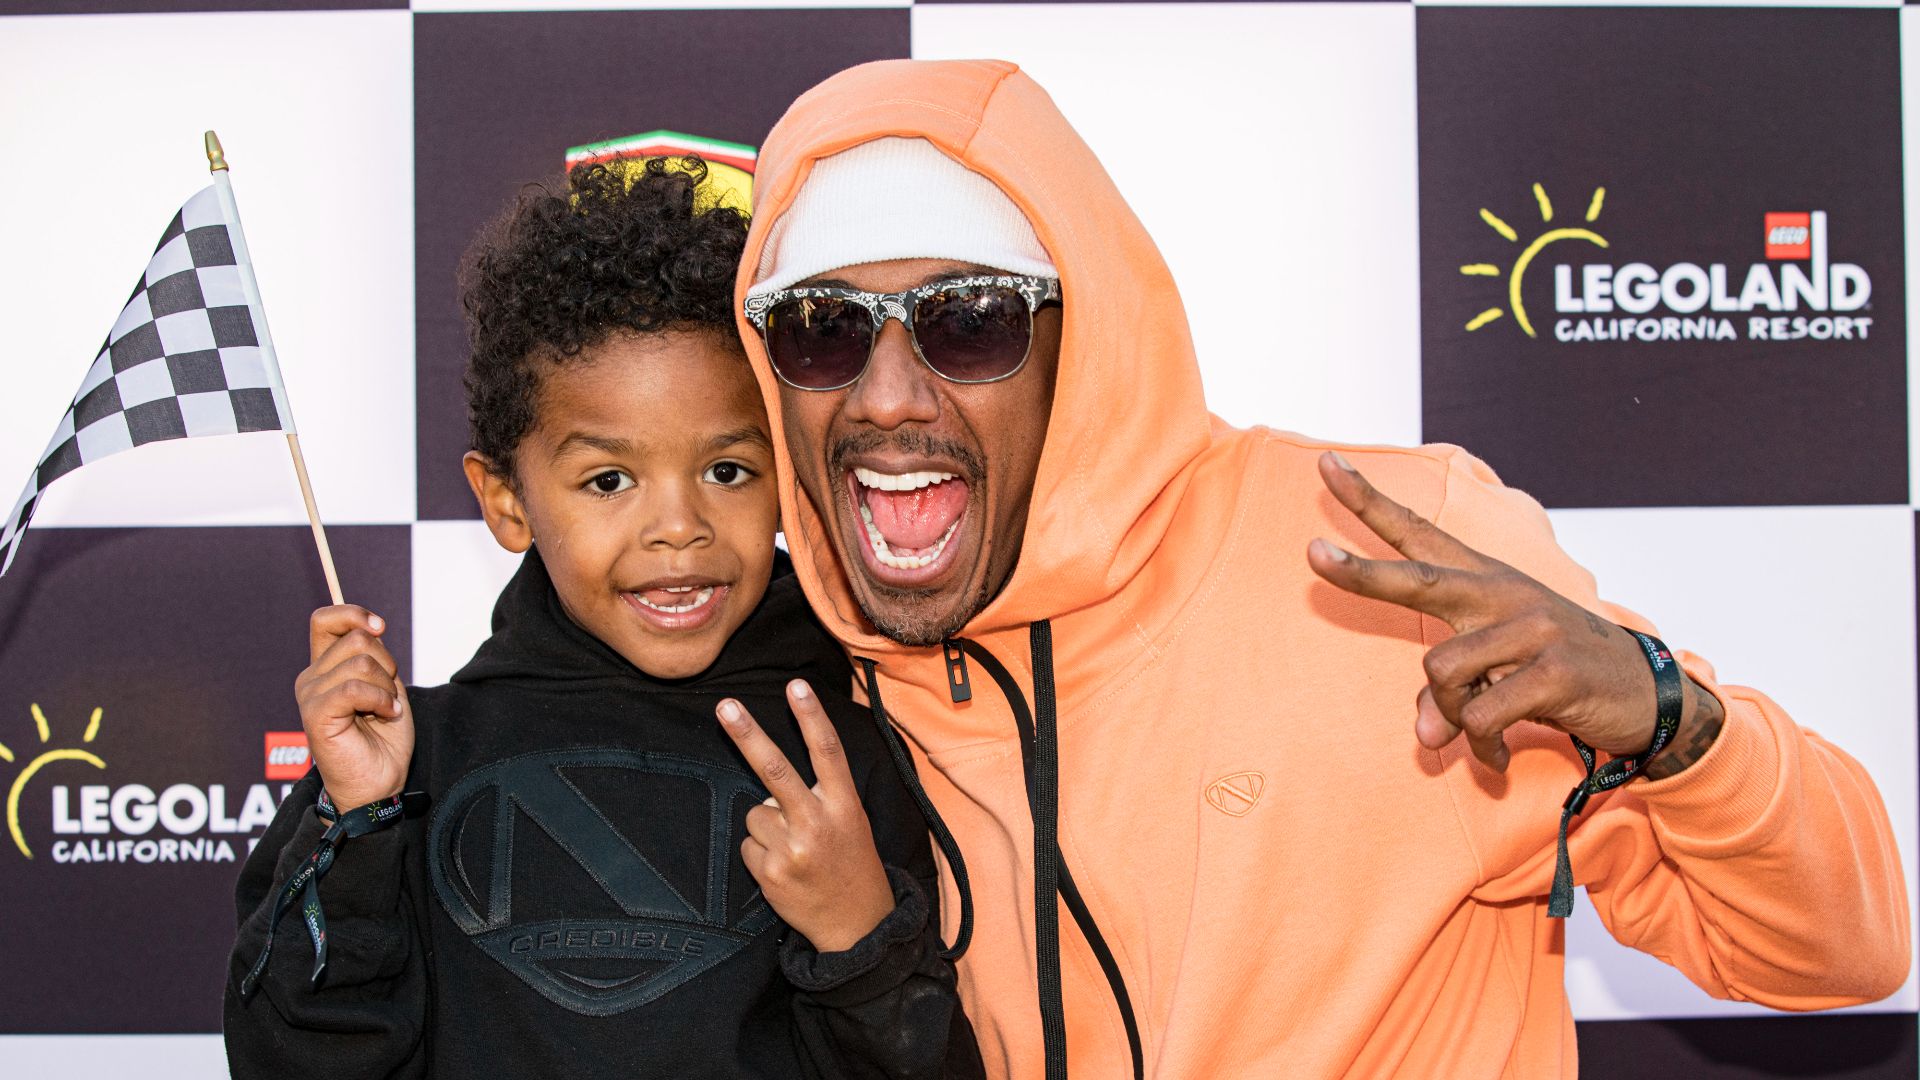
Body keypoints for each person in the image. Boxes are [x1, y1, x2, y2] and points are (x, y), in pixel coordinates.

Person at [718, 59, 1913, 1078]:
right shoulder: (808, 685)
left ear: (1080, 349)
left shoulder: (1383, 565)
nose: (885, 394)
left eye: (970, 319)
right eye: (819, 329)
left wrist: (1671, 717)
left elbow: (1841, 951)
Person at [222, 158, 983, 1080]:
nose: (677, 526)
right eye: (609, 480)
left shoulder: (847, 755)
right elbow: (291, 1060)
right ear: (506, 500)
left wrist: (862, 940)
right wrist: (356, 826)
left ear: (787, 473)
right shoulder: (404, 762)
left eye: (728, 470)